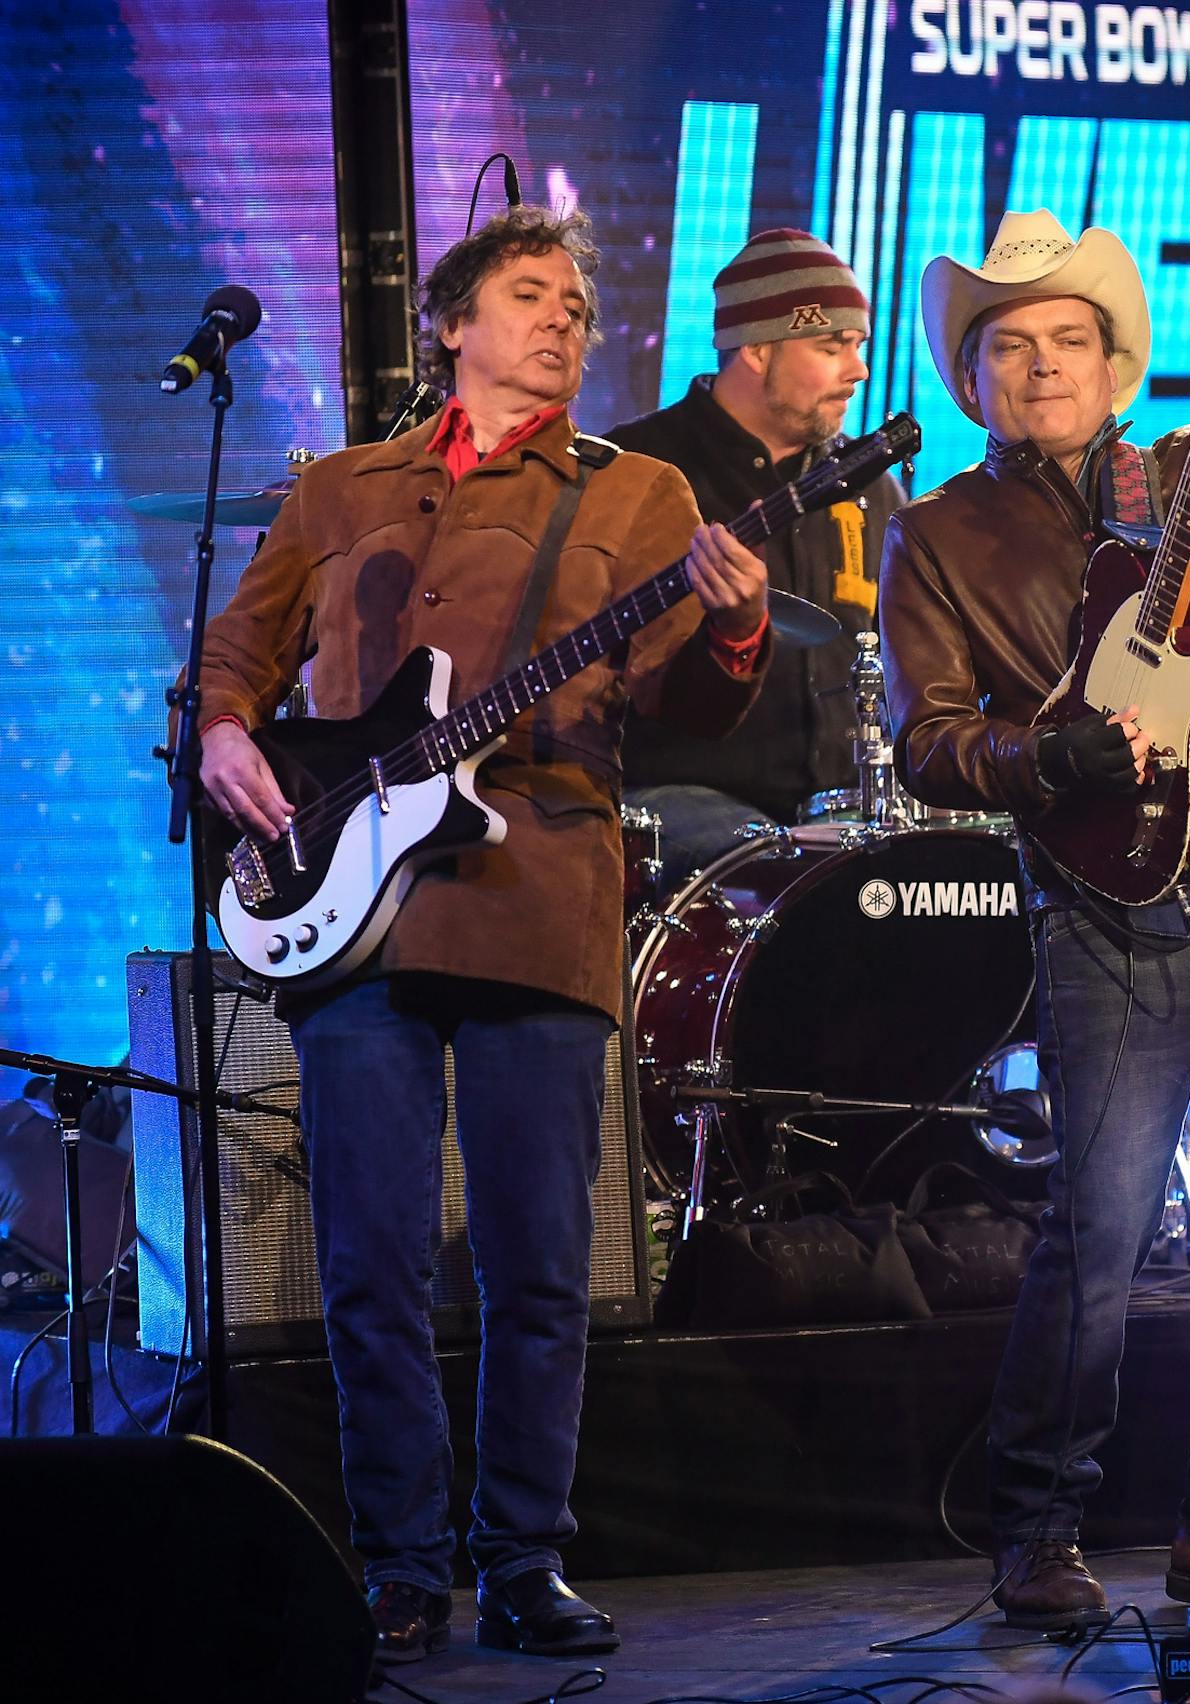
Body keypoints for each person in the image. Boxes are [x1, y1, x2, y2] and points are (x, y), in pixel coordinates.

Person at [189, 206, 770, 1663]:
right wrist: (218, 727)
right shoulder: (338, 487)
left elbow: (696, 716)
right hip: (349, 918)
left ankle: (522, 1557)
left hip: (538, 898)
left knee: (539, 1262)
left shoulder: (639, 495)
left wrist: (741, 632)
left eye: (579, 300)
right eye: (531, 294)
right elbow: (243, 644)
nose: (566, 316)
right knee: (369, 1261)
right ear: (452, 324)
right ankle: (398, 1563)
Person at [879, 209, 1190, 1630]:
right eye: (1010, 347)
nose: (1042, 367)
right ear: (972, 381)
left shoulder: (1184, 477)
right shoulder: (938, 536)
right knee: (1099, 1240)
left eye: (1069, 341)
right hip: (1105, 920)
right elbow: (927, 741)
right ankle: (1039, 1533)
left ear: (1115, 365)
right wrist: (1044, 762)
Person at [610, 229, 906, 888]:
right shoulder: (634, 472)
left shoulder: (873, 487)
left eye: (857, 346)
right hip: (677, 800)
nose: (857, 369)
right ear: (755, 348)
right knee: (794, 877)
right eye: (831, 346)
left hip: (836, 811)